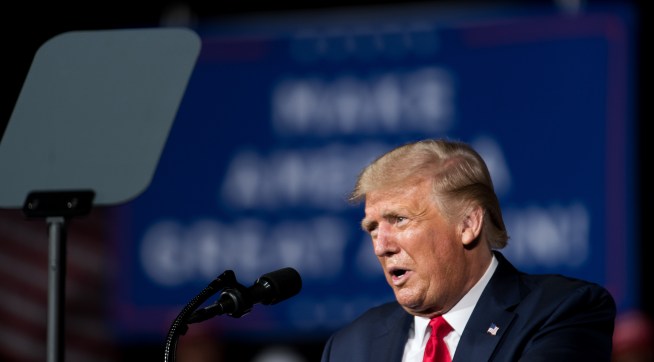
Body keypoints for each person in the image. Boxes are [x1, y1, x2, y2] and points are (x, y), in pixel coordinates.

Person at [321, 138, 616, 361]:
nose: (380, 247)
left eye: (399, 220)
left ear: (468, 224)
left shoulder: (560, 312)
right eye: (372, 229)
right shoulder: (350, 347)